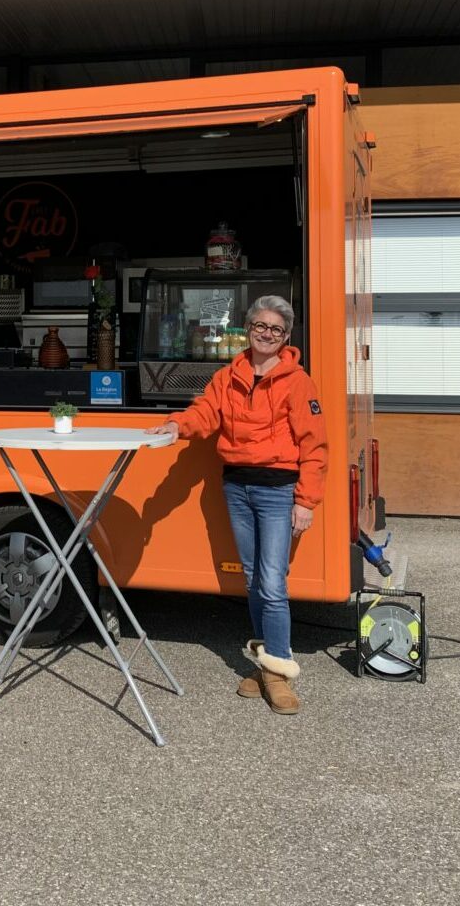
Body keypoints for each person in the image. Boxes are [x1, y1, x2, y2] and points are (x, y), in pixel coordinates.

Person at [147, 295, 327, 714]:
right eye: (261, 326)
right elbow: (205, 412)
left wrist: (307, 501)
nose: (267, 334)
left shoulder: (298, 382)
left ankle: (279, 673)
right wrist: (177, 426)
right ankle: (266, 666)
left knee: (272, 582)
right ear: (248, 328)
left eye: (276, 329)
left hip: (278, 491)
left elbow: (315, 447)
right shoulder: (229, 375)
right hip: (238, 489)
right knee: (251, 579)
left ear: (286, 336)